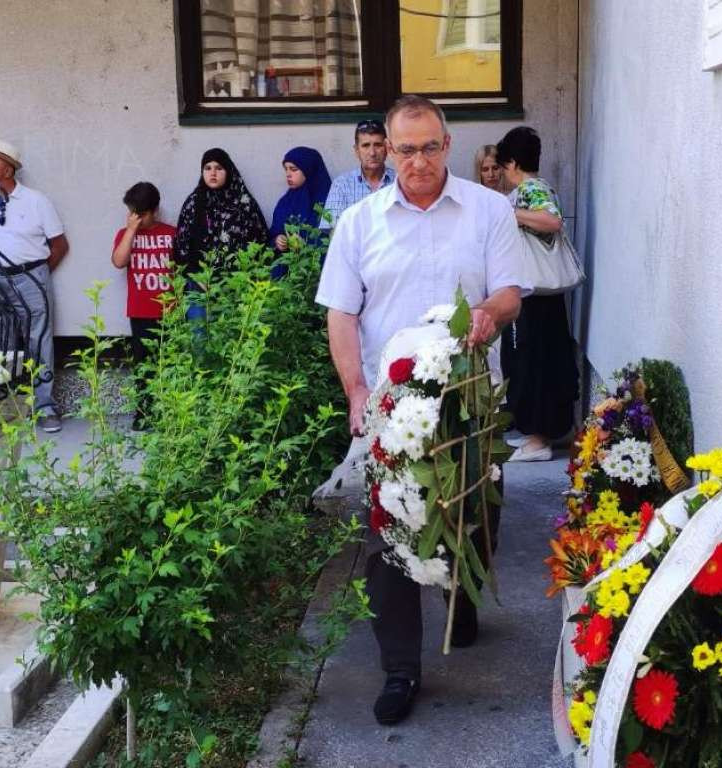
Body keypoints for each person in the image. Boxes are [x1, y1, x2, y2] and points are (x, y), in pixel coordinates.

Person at [316, 95, 526, 726]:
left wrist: (490, 314)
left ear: (448, 144)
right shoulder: (358, 222)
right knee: (390, 536)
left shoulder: (489, 210)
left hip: (471, 402)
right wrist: (356, 391)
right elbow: (340, 313)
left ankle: (463, 597)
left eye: (429, 147)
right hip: (392, 409)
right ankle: (401, 668)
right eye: (404, 149)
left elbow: (512, 291)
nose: (417, 161)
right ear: (384, 148)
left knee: (475, 513)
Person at [495, 126, 579, 462]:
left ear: (512, 163)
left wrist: (509, 214)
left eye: (502, 167)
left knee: (534, 361)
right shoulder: (533, 189)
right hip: (538, 294)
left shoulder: (531, 189)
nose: (502, 174)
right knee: (533, 359)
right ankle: (537, 433)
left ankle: (539, 440)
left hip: (536, 294)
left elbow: (551, 221)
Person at [0, 138, 68, 433]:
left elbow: (59, 245)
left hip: (31, 277)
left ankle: (44, 406)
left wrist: (33, 273)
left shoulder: (36, 200)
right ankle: (4, 408)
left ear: (8, 168)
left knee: (38, 341)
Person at [111, 181, 175, 430]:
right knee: (143, 366)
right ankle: (143, 413)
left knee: (167, 364)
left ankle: (167, 413)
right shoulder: (125, 234)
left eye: (142, 214)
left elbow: (181, 270)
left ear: (155, 210)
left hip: (169, 310)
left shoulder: (171, 234)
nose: (137, 218)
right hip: (140, 311)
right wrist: (131, 231)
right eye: (132, 212)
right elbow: (118, 261)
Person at [173, 148, 268, 278]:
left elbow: (260, 242)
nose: (213, 173)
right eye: (207, 168)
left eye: (219, 168)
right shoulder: (193, 203)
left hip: (238, 284)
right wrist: (195, 276)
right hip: (200, 284)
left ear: (228, 171)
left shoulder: (244, 204)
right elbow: (181, 246)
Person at [319, 119, 395, 231]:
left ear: (387, 148)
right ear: (356, 150)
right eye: (366, 145)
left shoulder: (399, 182)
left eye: (378, 145)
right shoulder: (342, 185)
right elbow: (332, 231)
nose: (372, 153)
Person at [269, 146, 331, 256]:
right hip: (289, 267)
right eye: (286, 169)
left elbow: (335, 239)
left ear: (309, 170)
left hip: (318, 267)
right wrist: (278, 240)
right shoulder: (286, 201)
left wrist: (306, 245)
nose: (288, 174)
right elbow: (274, 233)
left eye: (293, 169)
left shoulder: (329, 200)